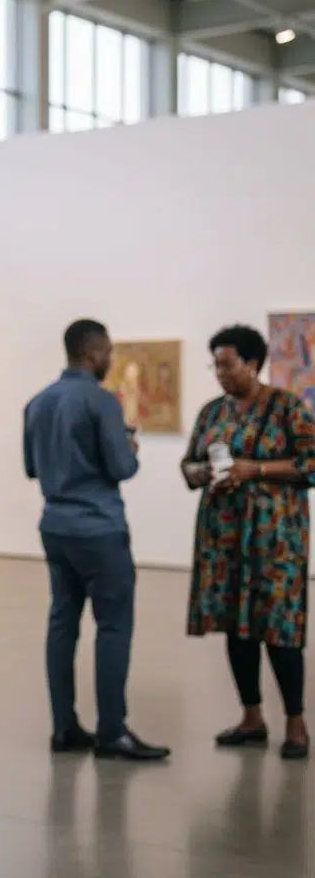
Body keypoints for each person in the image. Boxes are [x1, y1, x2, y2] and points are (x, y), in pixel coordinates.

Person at [23, 320, 170, 762]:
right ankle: (111, 732)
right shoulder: (102, 401)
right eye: (108, 351)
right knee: (113, 626)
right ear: (94, 352)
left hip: (55, 526)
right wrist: (128, 447)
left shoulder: (37, 403)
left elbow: (33, 468)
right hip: (99, 528)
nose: (110, 359)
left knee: (62, 624)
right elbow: (122, 468)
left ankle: (64, 729)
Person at [181, 325, 315, 760]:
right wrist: (200, 473)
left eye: (226, 363)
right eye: (215, 364)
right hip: (224, 540)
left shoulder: (286, 407)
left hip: (277, 542)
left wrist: (253, 470)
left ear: (252, 363)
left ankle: (296, 723)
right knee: (237, 627)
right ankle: (251, 717)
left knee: (279, 628)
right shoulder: (212, 412)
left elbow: (311, 463)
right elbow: (189, 463)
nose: (219, 372)